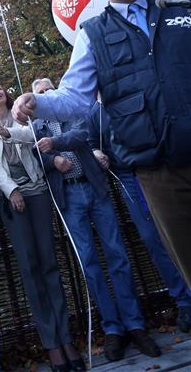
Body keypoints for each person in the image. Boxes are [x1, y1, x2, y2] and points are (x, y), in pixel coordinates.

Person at [13, 0, 191, 288]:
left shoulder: (179, 6)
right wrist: (37, 102)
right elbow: (76, 99)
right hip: (158, 170)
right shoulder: (92, 33)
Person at [32, 78, 160, 362]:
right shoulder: (35, 127)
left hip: (94, 188)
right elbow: (33, 160)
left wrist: (55, 144)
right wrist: (52, 160)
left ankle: (135, 325)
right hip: (68, 197)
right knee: (89, 263)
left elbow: (81, 135)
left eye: (50, 90)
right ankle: (113, 329)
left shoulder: (72, 111)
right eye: (40, 93)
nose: (47, 95)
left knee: (118, 255)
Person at [0, 80, 85, 372]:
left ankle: (66, 339)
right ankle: (51, 344)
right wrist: (11, 190)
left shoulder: (23, 118)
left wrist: (9, 130)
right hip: (13, 198)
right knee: (30, 267)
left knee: (50, 263)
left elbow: (30, 138)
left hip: (37, 192)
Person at [88, 99, 191, 333]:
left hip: (159, 165)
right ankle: (184, 300)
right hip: (128, 178)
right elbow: (92, 141)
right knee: (152, 237)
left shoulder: (130, 93)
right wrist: (96, 152)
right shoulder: (94, 112)